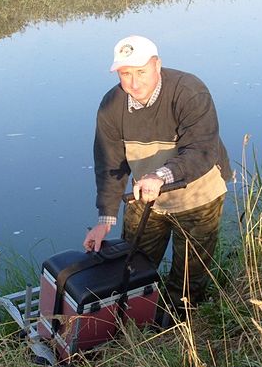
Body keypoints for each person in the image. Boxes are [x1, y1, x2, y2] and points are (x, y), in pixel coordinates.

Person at [82, 35, 232, 318]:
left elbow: (201, 150)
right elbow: (109, 165)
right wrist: (104, 220)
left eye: (141, 72)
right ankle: (133, 318)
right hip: (146, 196)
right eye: (126, 74)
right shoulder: (111, 106)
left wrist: (161, 175)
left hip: (198, 194)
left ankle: (177, 327)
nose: (134, 83)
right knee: (132, 265)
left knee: (189, 278)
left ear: (157, 65)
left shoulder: (189, 91)